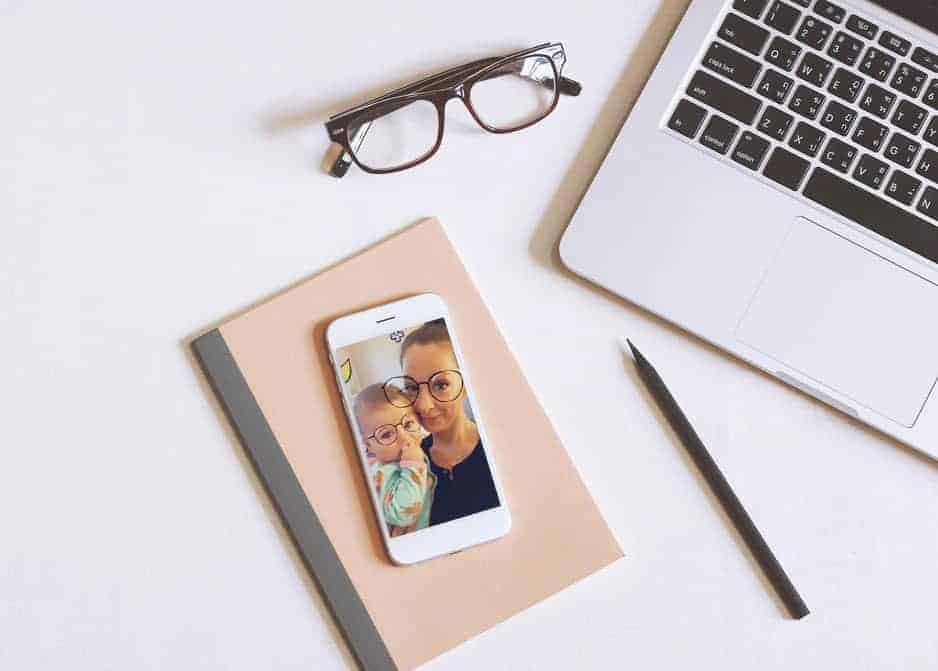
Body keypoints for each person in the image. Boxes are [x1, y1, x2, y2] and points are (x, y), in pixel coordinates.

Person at [397, 320, 499, 526]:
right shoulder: (409, 466)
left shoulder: (499, 450)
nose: (424, 406)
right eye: (412, 387)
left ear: (466, 383)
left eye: (441, 385)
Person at [353, 383, 436, 537]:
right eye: (386, 435)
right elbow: (402, 514)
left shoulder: (414, 448)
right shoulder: (381, 474)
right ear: (369, 446)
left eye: (408, 424)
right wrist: (414, 466)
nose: (405, 438)